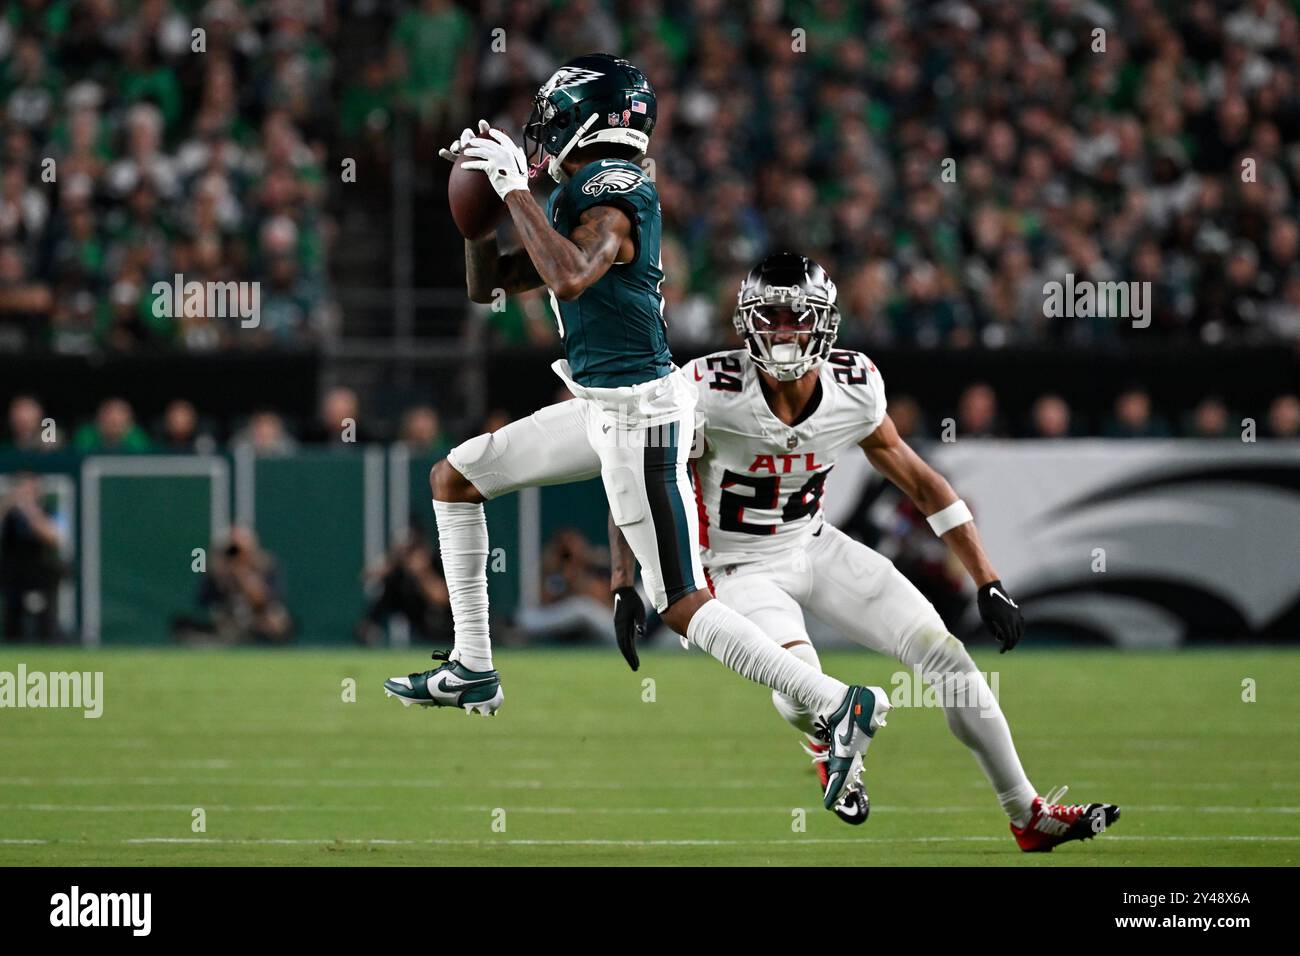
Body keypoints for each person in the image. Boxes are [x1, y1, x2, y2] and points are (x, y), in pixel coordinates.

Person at [382, 56, 888, 816]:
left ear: (595, 117)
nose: (543, 131)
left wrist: (515, 186)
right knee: (456, 476)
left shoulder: (612, 192)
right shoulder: (579, 192)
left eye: (557, 114)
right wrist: (479, 218)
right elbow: (488, 286)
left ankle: (834, 701)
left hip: (641, 415)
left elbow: (571, 278)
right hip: (602, 406)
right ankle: (473, 665)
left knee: (680, 599)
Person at [609, 254, 1119, 850]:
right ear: (746, 323)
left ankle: (1026, 814)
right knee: (802, 686)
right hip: (736, 566)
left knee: (948, 660)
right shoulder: (705, 390)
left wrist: (987, 579)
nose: (783, 331)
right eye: (770, 317)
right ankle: (826, 740)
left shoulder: (854, 387)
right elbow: (631, 475)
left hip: (816, 543)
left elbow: (923, 483)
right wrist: (627, 579)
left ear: (824, 322)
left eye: (797, 317)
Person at [0, 472, 66, 642]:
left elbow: (54, 538)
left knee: (46, 620)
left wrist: (30, 511)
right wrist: (9, 503)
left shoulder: (49, 510)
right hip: (13, 572)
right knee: (12, 620)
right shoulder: (8, 512)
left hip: (42, 572)